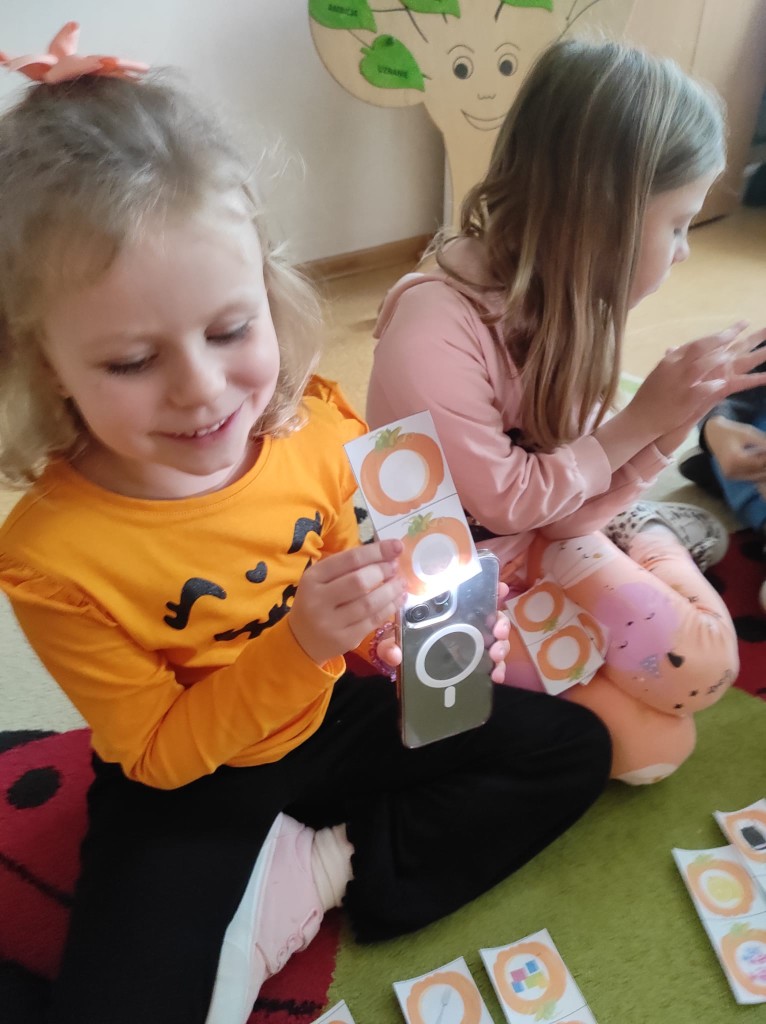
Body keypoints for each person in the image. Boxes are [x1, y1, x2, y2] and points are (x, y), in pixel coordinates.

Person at [0, 24, 612, 1024]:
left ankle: (325, 866)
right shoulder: (51, 556)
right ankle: (301, 862)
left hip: (328, 715)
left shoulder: (318, 429)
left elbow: (360, 573)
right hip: (192, 776)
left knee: (569, 751)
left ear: (268, 295)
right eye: (131, 362)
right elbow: (158, 751)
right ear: (43, 364)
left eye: (229, 328)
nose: (203, 391)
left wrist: (418, 633)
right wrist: (301, 645)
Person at [367, 38, 766, 787]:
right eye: (677, 224)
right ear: (602, 216)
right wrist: (641, 421)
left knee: (704, 667)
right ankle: (650, 540)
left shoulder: (579, 301)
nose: (685, 251)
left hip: (546, 537)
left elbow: (570, 514)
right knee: (652, 749)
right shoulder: (434, 328)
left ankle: (647, 533)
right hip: (447, 570)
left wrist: (674, 421)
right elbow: (509, 500)